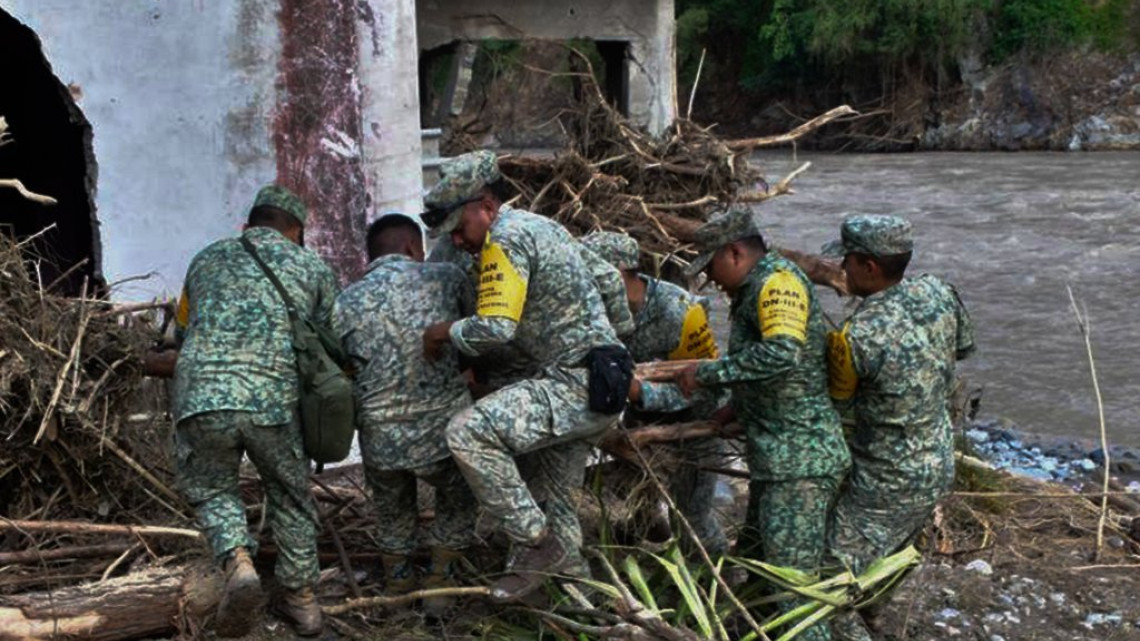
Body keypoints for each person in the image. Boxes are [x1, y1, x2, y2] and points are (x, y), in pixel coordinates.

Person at [420, 150, 626, 603]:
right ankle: (590, 611)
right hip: (601, 381)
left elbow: (495, 327)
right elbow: (611, 281)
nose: (456, 241)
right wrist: (614, 343)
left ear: (487, 207)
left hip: (571, 383)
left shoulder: (504, 240)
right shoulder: (543, 226)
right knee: (556, 501)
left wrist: (440, 333)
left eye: (459, 228)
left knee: (468, 433)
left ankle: (537, 544)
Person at [674, 208, 850, 641]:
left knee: (794, 592)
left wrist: (708, 373)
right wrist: (736, 406)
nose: (710, 280)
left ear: (734, 252)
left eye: (711, 267)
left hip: (800, 461)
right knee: (756, 565)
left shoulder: (778, 284)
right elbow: (776, 371)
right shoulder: (756, 286)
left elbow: (782, 354)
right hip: (779, 457)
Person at [172, 185, 337, 637]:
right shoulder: (312, 267)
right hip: (273, 402)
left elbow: (182, 331)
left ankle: (238, 562)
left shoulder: (205, 259)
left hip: (201, 397)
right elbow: (329, 344)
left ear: (247, 226)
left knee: (211, 487)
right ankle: (302, 601)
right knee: (289, 494)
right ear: (297, 231)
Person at [823, 215, 975, 641]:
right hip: (938, 462)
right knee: (888, 559)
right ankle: (871, 617)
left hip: (886, 478)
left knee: (826, 581)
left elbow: (838, 405)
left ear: (869, 266)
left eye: (848, 262)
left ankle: (857, 630)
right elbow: (962, 349)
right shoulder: (939, 292)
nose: (842, 271)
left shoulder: (858, 336)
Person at [335, 212, 477, 614]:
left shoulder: (345, 301)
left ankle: (398, 588)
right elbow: (472, 341)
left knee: (391, 507)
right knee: (459, 494)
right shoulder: (449, 278)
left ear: (372, 255)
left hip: (380, 437)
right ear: (414, 248)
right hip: (443, 431)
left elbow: (338, 366)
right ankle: (440, 584)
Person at [580, 230, 728, 555]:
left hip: (695, 426)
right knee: (633, 501)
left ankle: (720, 575)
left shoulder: (681, 312)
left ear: (617, 274)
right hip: (638, 424)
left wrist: (640, 392)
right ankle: (646, 530)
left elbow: (708, 391)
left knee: (693, 518)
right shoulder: (594, 311)